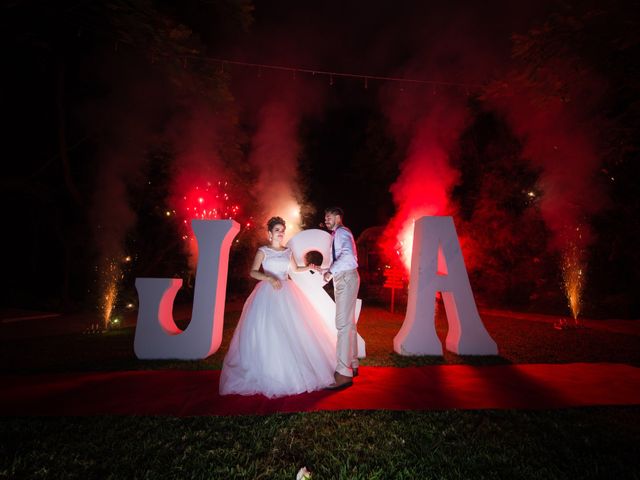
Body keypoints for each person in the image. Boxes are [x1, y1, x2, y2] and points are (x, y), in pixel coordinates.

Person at [219, 216, 337, 398]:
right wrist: (269, 278)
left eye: (282, 230)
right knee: (269, 332)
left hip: (286, 292)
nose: (280, 233)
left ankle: (291, 371)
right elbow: (253, 271)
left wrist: (309, 267)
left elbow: (295, 270)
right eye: (277, 230)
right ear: (269, 233)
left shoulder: (287, 251)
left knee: (290, 332)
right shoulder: (263, 251)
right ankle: (268, 371)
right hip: (266, 294)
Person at [323, 207, 360, 390]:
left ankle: (344, 374)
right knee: (349, 323)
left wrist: (331, 271)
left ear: (338, 217)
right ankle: (352, 364)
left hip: (345, 277)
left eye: (328, 217)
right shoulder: (340, 233)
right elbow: (343, 258)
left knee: (343, 325)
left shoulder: (341, 232)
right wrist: (328, 272)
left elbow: (347, 256)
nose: (326, 220)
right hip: (346, 277)